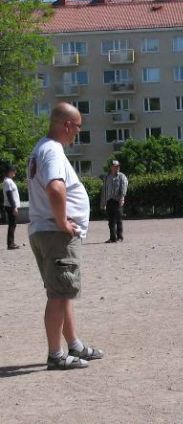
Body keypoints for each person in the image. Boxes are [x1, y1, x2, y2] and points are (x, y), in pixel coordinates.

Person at [27, 102, 104, 370]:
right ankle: (55, 355)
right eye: (78, 128)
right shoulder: (52, 151)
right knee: (58, 295)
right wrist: (63, 223)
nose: (77, 134)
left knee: (62, 291)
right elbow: (56, 188)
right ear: (67, 125)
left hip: (45, 231)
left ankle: (74, 345)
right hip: (55, 233)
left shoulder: (42, 148)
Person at [103, 160, 128, 243]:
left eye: (118, 166)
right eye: (115, 166)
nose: (117, 168)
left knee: (118, 220)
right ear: (112, 167)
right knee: (110, 221)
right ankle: (112, 238)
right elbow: (105, 190)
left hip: (118, 201)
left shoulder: (122, 176)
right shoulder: (107, 177)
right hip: (109, 201)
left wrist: (122, 198)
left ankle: (120, 237)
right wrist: (104, 201)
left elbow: (124, 187)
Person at [3, 165, 21, 249]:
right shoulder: (7, 181)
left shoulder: (9, 181)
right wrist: (14, 207)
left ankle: (11, 243)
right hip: (10, 206)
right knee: (12, 224)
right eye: (13, 171)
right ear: (9, 171)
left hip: (11, 206)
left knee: (13, 224)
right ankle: (10, 244)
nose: (15, 172)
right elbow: (9, 195)